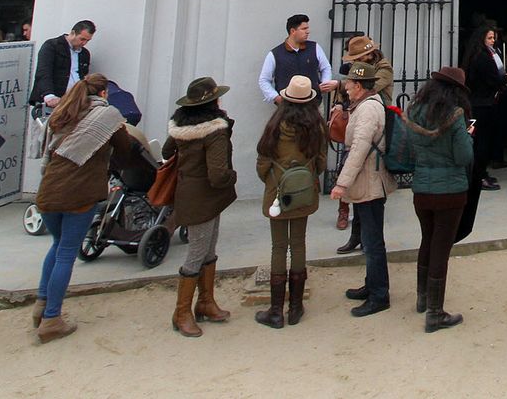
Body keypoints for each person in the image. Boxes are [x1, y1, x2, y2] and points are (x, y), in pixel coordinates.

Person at [33, 73, 139, 342]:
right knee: (67, 253)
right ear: (103, 94)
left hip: (48, 190)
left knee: (57, 246)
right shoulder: (107, 117)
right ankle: (52, 319)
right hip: (79, 192)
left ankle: (40, 305)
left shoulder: (63, 114)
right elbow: (125, 151)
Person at [162, 76, 238, 337]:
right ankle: (182, 311)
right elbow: (218, 174)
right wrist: (232, 177)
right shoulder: (215, 131)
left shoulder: (179, 126)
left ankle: (205, 301)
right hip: (205, 196)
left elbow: (166, 150)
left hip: (187, 192)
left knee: (207, 248)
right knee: (197, 251)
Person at [253, 74, 327, 329]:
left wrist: (273, 179)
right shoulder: (316, 127)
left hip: (277, 192)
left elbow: (262, 159)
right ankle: (295, 307)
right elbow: (321, 162)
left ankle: (276, 310)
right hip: (303, 191)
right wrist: (304, 178)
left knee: (278, 247)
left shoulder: (275, 125)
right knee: (298, 244)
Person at [403, 66, 474, 332]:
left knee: (427, 239)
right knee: (441, 248)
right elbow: (463, 157)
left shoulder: (414, 111)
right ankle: (435, 312)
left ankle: (422, 297)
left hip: (422, 188)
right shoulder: (455, 117)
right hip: (450, 191)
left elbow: (411, 149)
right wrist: (469, 137)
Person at [330, 61, 396, 316]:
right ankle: (372, 285)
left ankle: (380, 295)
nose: (345, 87)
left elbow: (358, 149)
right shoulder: (364, 104)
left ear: (358, 85)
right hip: (366, 180)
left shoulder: (368, 109)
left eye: (348, 83)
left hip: (369, 180)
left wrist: (341, 183)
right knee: (369, 239)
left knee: (373, 241)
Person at [461, 24, 506, 192]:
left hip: (479, 102)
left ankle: (480, 173)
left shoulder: (478, 54)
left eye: (494, 38)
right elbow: (492, 79)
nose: (493, 41)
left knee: (480, 141)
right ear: (481, 38)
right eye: (489, 38)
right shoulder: (483, 57)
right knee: (482, 142)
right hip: (483, 104)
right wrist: (505, 80)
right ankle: (479, 176)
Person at [256, 14, 338, 105]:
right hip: (287, 108)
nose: (308, 32)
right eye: (304, 29)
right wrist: (275, 97)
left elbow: (325, 68)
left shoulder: (315, 48)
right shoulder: (275, 54)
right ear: (293, 31)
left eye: (307, 28)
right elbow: (264, 80)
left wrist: (324, 84)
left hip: (314, 104)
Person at [29, 20, 95, 106]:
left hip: (73, 101)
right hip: (53, 100)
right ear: (73, 33)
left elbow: (83, 75)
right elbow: (43, 72)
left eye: (87, 40)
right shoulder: (52, 46)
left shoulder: (85, 53)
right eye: (82, 39)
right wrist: (49, 95)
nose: (84, 43)